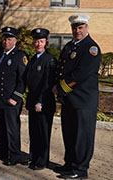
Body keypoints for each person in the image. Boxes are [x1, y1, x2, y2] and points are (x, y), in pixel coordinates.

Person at [52, 14, 102, 179]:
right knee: (70, 134)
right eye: (74, 28)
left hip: (83, 101)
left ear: (87, 28)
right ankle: (70, 164)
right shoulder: (69, 46)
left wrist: (61, 87)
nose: (77, 31)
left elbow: (82, 74)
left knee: (82, 136)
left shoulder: (91, 48)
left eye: (80, 28)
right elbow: (61, 68)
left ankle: (80, 169)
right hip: (69, 100)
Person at [0, 27, 28, 166]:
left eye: (9, 39)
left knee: (12, 129)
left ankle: (15, 155)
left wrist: (16, 97)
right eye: (4, 39)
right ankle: (2, 152)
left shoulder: (19, 56)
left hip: (11, 100)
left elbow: (23, 79)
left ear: (15, 41)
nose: (6, 42)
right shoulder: (0, 56)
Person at [26, 28, 56, 170]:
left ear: (46, 43)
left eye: (41, 41)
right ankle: (33, 157)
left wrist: (40, 101)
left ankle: (42, 161)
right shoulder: (32, 59)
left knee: (43, 133)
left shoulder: (49, 60)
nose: (38, 44)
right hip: (33, 103)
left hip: (44, 103)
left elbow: (48, 83)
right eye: (37, 41)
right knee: (34, 132)